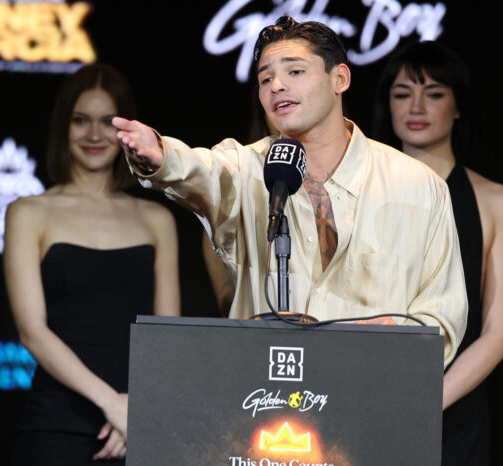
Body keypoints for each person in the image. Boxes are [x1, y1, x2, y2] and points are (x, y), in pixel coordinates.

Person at [113, 16, 467, 365]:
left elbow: (442, 318)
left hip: (374, 395)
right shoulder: (246, 169)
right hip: (264, 403)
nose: (276, 85)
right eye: (265, 79)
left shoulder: (419, 186)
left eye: (294, 72)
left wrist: (390, 335)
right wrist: (161, 156)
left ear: (339, 78)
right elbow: (200, 171)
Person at [4, 63, 180, 466]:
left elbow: (166, 336)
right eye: (82, 120)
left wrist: (133, 410)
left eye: (109, 121)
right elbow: (31, 331)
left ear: (128, 128)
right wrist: (111, 402)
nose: (95, 134)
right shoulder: (29, 211)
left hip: (129, 429)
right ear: (64, 126)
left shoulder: (156, 217)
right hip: (55, 423)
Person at [373, 41, 503, 466]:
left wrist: (426, 402)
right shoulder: (354, 194)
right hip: (368, 400)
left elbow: (497, 331)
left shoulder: (493, 200)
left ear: (458, 104)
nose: (418, 106)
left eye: (434, 92)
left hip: (456, 410)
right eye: (403, 93)